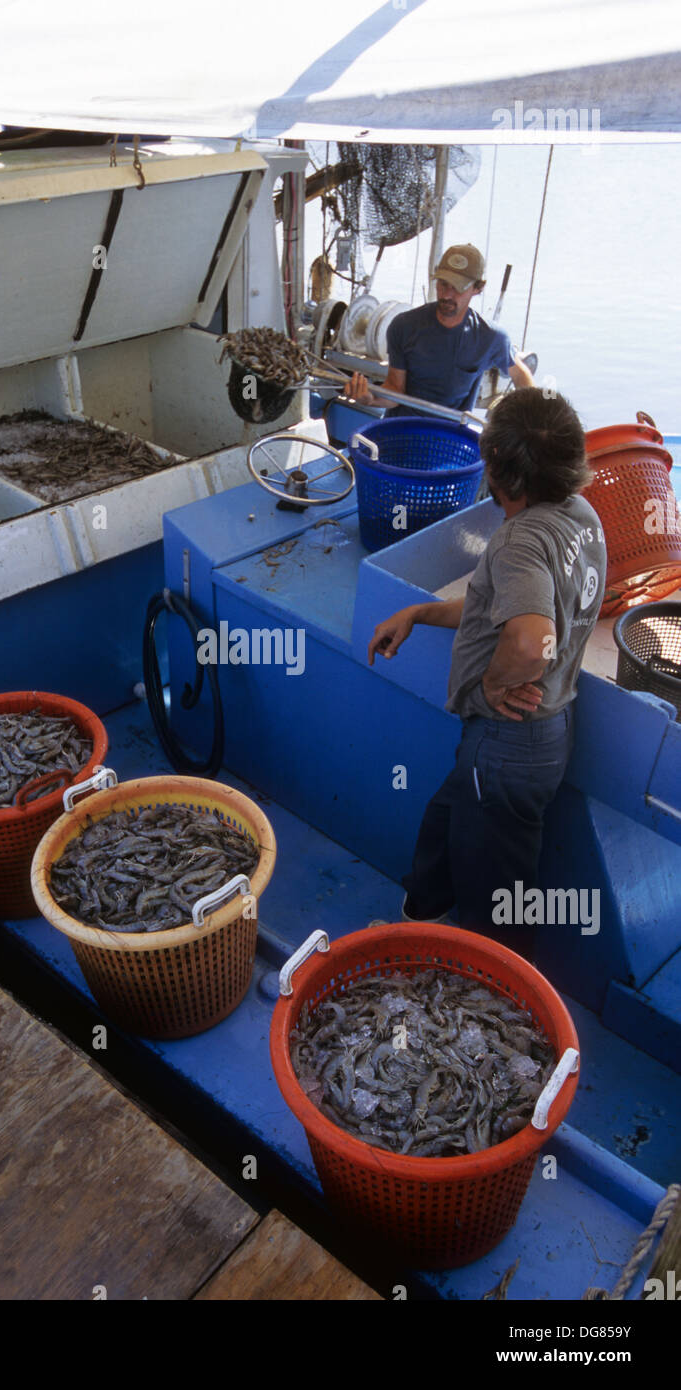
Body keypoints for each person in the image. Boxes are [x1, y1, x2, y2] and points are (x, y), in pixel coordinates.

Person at [367, 388, 606, 959]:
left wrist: (494, 683)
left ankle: (480, 996)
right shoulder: (581, 516)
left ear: (504, 471)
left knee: (497, 903)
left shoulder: (520, 541)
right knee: (442, 834)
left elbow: (529, 639)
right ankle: (419, 924)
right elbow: (506, 608)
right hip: (524, 740)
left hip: (508, 742)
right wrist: (420, 612)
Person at [347, 244, 534, 414]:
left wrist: (537, 413)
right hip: (400, 427)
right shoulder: (403, 326)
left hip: (450, 434)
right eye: (443, 284)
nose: (447, 295)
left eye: (458, 287)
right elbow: (395, 388)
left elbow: (519, 373)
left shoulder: (492, 338)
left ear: (478, 288)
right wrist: (369, 399)